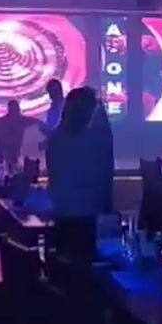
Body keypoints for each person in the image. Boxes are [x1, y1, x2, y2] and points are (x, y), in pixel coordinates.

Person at [46, 88, 114, 257]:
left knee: (67, 261)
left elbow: (54, 179)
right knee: (86, 261)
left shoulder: (55, 138)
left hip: (62, 212)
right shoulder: (95, 140)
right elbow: (105, 177)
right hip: (88, 214)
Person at [0, 100, 39, 172]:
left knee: (13, 166)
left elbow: (34, 121)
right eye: (14, 108)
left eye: (16, 108)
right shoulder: (3, 121)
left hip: (15, 149)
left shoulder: (21, 120)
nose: (16, 111)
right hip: (6, 149)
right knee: (8, 166)